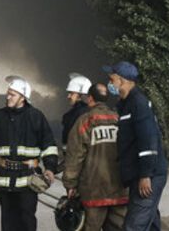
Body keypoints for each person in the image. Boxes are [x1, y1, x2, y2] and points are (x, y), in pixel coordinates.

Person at [0, 75, 59, 231]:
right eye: (8, 93)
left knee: (27, 221)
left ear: (23, 97)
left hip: (27, 181)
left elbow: (49, 145)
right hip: (4, 180)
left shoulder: (36, 117)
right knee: (8, 222)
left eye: (12, 94)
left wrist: (50, 167)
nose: (8, 97)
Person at [103, 61, 168, 231]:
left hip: (149, 175)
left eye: (112, 79)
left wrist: (146, 174)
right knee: (150, 222)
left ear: (122, 81)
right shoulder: (126, 104)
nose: (110, 83)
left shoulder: (138, 103)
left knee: (134, 226)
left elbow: (147, 140)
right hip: (139, 174)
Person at [63, 82, 128, 231]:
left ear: (89, 98)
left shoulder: (85, 122)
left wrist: (70, 184)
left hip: (94, 192)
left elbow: (75, 157)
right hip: (120, 190)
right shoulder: (119, 119)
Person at [62, 73, 93, 150]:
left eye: (71, 93)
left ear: (81, 96)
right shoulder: (74, 113)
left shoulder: (81, 114)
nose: (68, 96)